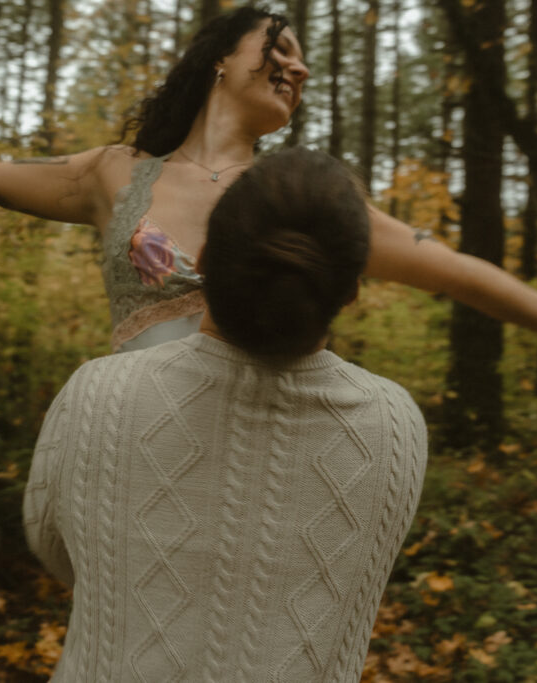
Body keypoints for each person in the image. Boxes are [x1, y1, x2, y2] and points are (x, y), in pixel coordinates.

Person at [0, 6, 537, 354]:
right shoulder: (114, 173)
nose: (299, 66)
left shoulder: (303, 203)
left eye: (304, 60)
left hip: (272, 445)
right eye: (279, 45)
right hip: (140, 434)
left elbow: (443, 264)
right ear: (222, 55)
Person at [23, 147, 427, 682]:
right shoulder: (395, 424)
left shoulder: (98, 394)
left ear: (206, 258)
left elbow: (53, 546)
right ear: (350, 290)